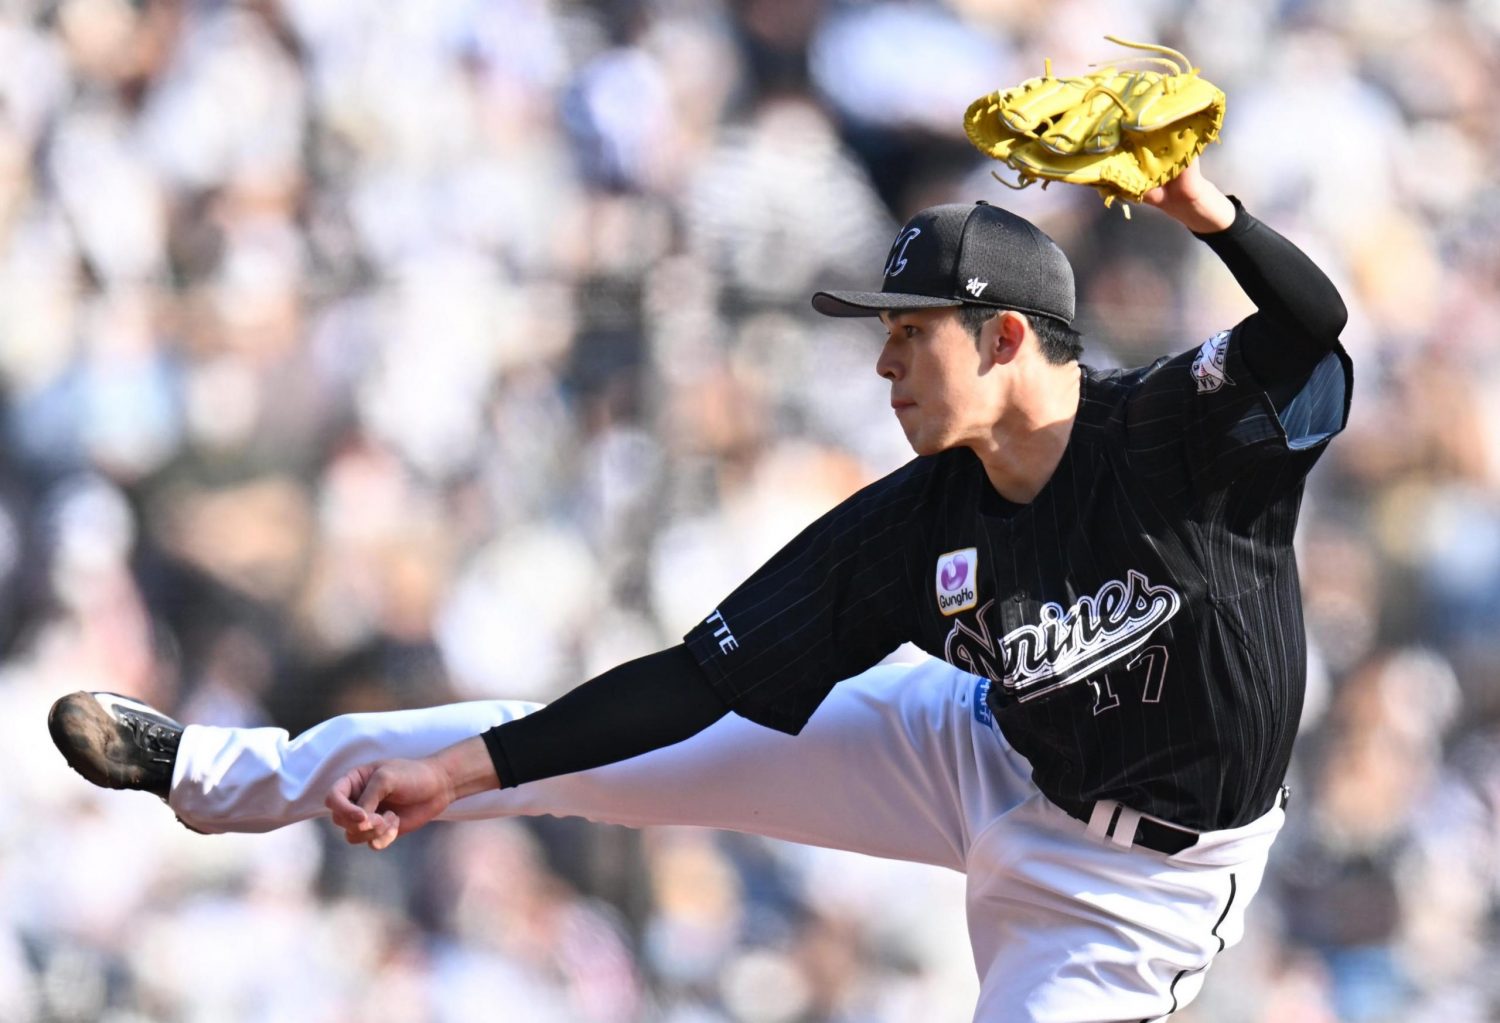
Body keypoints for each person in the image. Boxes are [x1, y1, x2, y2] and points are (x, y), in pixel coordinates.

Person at [50, 159, 1351, 1022]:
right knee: (549, 739)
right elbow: (694, 682)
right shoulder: (913, 527)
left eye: (911, 333)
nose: (886, 364)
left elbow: (1312, 329)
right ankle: (214, 772)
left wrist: (1201, 206)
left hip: (1135, 890)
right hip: (975, 751)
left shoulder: (1174, 444)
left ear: (1006, 337)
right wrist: (463, 774)